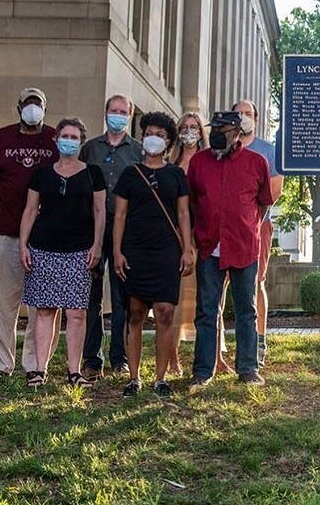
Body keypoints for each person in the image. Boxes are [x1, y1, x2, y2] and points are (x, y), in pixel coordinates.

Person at [188, 110, 273, 388]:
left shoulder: (256, 162)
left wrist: (248, 226)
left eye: (223, 130)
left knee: (246, 309)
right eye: (215, 129)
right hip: (208, 247)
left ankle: (247, 368)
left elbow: (263, 203)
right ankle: (203, 371)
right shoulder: (199, 162)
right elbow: (191, 203)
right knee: (207, 310)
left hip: (243, 247)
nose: (216, 135)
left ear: (237, 133)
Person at [19, 118, 106, 387]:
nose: (69, 141)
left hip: (79, 251)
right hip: (43, 249)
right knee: (45, 311)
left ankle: (74, 371)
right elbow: (31, 210)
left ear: (81, 142)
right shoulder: (42, 174)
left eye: (74, 137)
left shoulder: (93, 173)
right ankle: (39, 370)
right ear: (56, 139)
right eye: (65, 136)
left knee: (77, 313)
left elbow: (100, 211)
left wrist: (97, 245)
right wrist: (23, 244)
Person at [112, 112, 194, 398]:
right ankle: (133, 378)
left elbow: (183, 213)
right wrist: (117, 251)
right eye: (149, 132)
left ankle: (160, 379)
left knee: (165, 312)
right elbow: (120, 215)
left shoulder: (176, 174)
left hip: (166, 252)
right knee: (135, 313)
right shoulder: (130, 174)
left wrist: (187, 248)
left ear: (169, 141)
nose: (154, 138)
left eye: (160, 134)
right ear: (142, 136)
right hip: (134, 250)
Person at [0, 88, 59, 377]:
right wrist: (9, 207)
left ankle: (35, 364)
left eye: (37, 103)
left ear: (44, 108)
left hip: (46, 236)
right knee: (2, 299)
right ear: (18, 107)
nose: (32, 108)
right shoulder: (1, 138)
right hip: (4, 230)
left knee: (44, 301)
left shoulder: (54, 139)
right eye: (27, 103)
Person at [80, 94, 142, 380]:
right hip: (92, 230)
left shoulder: (138, 151)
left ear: (129, 116)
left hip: (124, 233)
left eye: (123, 111)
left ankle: (119, 358)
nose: (117, 115)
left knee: (121, 298)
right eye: (113, 110)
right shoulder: (90, 148)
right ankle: (92, 358)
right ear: (105, 113)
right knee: (91, 297)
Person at [167, 112, 229, 376]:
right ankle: (173, 359)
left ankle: (215, 357)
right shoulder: (171, 163)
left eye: (194, 127)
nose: (189, 131)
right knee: (174, 302)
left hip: (204, 238)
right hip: (173, 239)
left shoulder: (210, 161)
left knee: (211, 302)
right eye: (185, 127)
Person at [233, 98, 284, 366]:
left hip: (258, 225)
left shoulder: (268, 150)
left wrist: (252, 218)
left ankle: (259, 340)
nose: (243, 117)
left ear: (256, 117)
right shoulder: (224, 148)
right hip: (226, 227)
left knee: (256, 281)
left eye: (248, 113)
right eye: (238, 113)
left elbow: (275, 191)